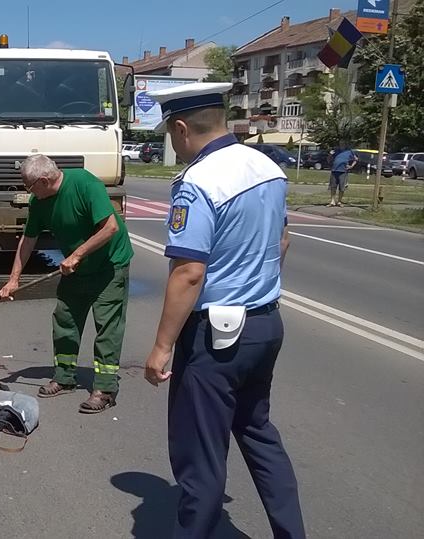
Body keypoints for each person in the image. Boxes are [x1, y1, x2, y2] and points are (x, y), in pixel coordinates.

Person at [142, 82, 305, 538]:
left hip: (216, 339)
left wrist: (160, 347)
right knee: (259, 436)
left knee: (201, 456)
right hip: (265, 325)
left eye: (169, 134)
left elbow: (189, 273)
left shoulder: (198, 181)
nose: (171, 143)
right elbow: (283, 240)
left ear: (180, 127)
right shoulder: (266, 167)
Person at [0, 155, 133, 414]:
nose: (28, 192)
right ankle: (64, 377)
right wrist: (13, 279)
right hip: (77, 269)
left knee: (107, 326)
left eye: (29, 186)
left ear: (44, 180)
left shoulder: (85, 184)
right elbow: (28, 241)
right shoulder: (40, 202)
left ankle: (105, 388)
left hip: (109, 266)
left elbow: (110, 228)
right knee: (65, 319)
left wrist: (76, 255)